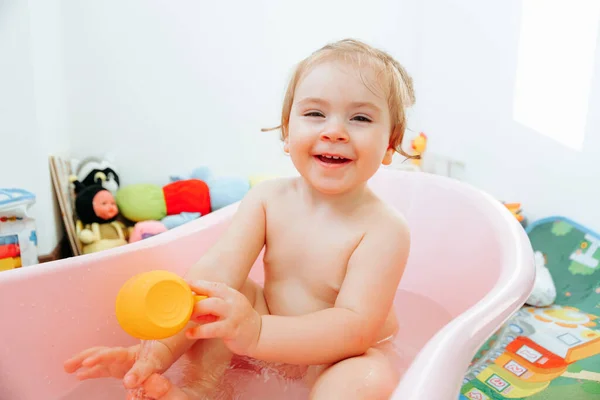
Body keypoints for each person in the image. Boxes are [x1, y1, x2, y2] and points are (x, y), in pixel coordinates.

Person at [64, 38, 415, 400]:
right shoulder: (268, 199)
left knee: (368, 378)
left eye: (360, 118)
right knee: (217, 295)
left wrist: (258, 332)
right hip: (266, 326)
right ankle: (200, 388)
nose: (334, 131)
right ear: (286, 130)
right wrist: (156, 351)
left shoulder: (384, 229)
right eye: (315, 114)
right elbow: (215, 271)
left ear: (390, 143)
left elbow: (355, 327)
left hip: (340, 355)